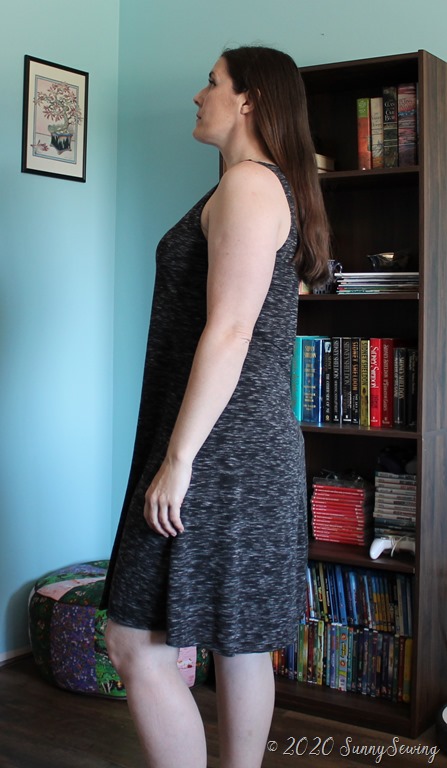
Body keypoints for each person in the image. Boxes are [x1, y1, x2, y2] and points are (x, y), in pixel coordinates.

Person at [103, 45, 330, 768]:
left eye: (212, 83)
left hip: (220, 449)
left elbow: (231, 332)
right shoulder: (257, 187)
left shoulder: (248, 187)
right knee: (239, 641)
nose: (199, 96)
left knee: (133, 641)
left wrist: (178, 460)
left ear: (248, 100)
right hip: (237, 445)